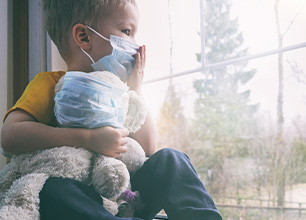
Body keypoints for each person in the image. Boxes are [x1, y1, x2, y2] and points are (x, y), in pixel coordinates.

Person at [0, 0, 222, 220]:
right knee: (51, 190)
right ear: (84, 37)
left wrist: (135, 89)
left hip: (124, 195)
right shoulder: (50, 83)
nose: (136, 45)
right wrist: (88, 138)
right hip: (81, 197)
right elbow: (10, 135)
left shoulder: (122, 93)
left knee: (171, 159)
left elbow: (148, 147)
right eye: (127, 31)